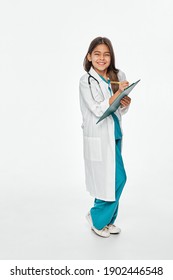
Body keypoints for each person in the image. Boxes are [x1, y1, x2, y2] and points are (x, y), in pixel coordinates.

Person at [79, 37, 131, 238]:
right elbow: (97, 109)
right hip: (99, 136)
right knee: (115, 179)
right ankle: (96, 218)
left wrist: (124, 101)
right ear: (89, 56)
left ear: (111, 57)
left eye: (106, 54)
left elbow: (119, 110)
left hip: (115, 133)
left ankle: (108, 221)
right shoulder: (86, 81)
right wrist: (117, 93)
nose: (102, 58)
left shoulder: (118, 75)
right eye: (97, 54)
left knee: (111, 179)